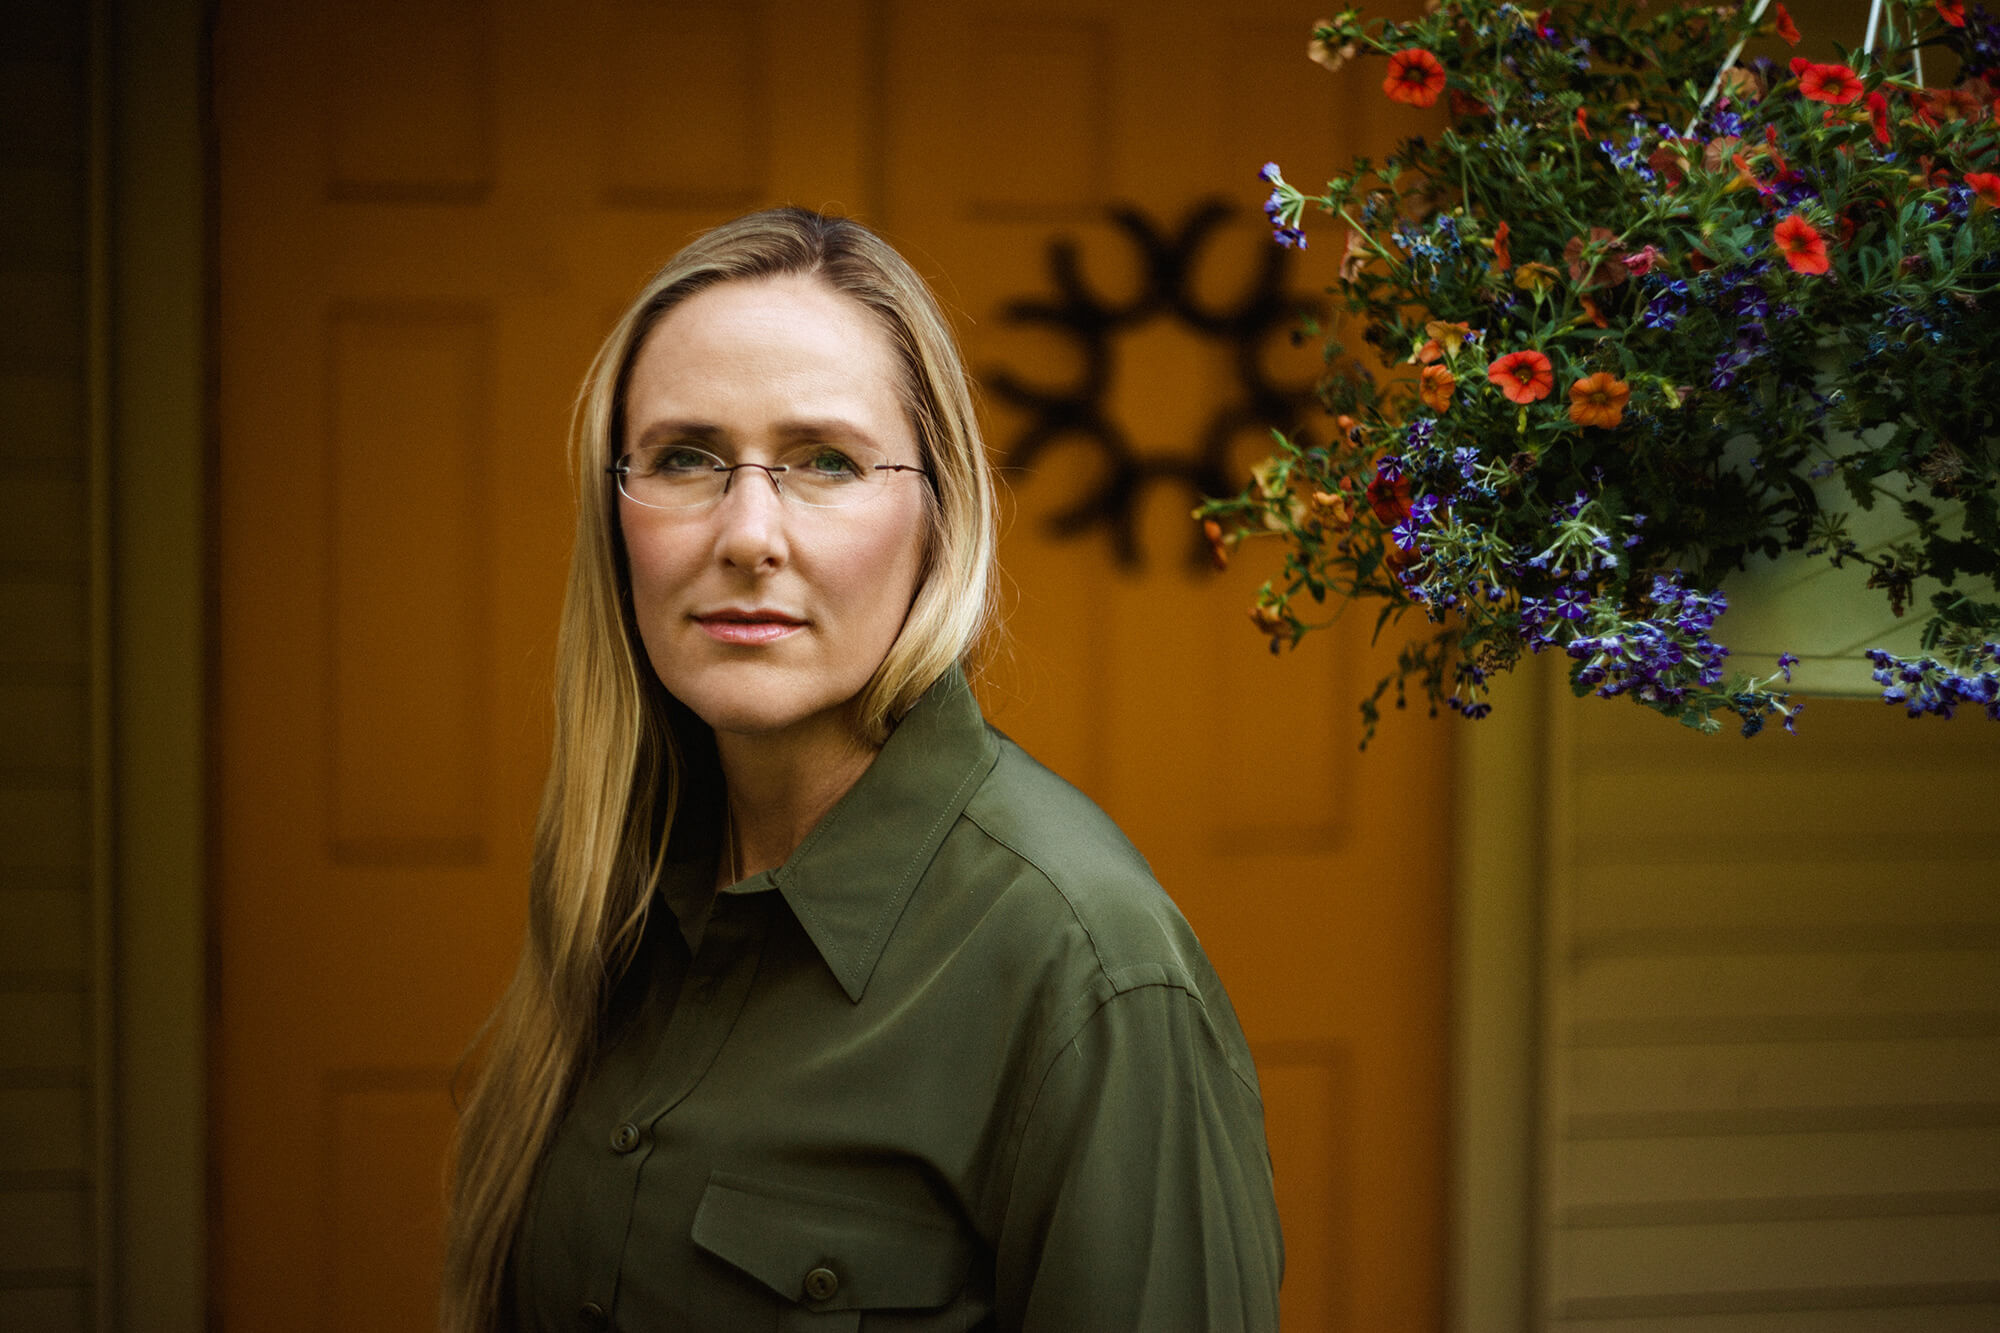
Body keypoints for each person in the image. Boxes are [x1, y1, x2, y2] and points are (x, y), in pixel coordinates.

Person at [442, 207, 1282, 1332]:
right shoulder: (632, 891)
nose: (747, 533)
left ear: (938, 515)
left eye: (824, 461)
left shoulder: (1089, 971)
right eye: (685, 457)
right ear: (614, 509)